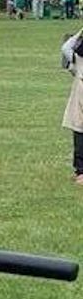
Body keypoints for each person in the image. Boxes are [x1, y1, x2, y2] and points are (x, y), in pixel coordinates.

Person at [60, 28, 83, 183]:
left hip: (80, 90)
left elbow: (66, 48)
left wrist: (79, 33)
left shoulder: (77, 58)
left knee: (79, 130)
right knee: (79, 130)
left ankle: (80, 171)